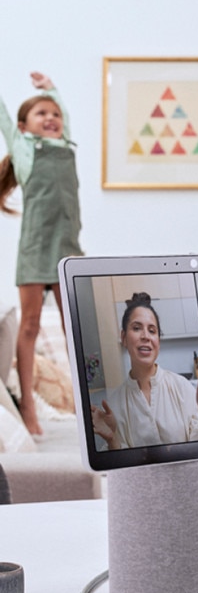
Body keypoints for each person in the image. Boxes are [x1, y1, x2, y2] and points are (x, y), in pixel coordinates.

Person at [0, 72, 83, 436]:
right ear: (24, 127)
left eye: (55, 113)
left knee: (77, 328)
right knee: (30, 326)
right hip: (35, 249)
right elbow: (4, 121)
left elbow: (61, 108)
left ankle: (88, 404)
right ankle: (29, 407)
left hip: (69, 250)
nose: (51, 117)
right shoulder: (24, 151)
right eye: (41, 114)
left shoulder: (66, 146)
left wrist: (51, 88)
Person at [92, 292, 198, 450]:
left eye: (152, 330)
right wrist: (112, 439)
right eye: (136, 328)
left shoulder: (182, 387)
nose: (146, 336)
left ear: (158, 341)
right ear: (124, 338)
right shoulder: (114, 405)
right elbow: (122, 467)